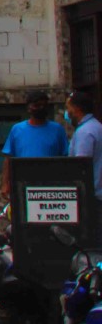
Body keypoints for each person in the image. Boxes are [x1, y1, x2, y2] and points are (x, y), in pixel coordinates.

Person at [2, 90, 69, 198]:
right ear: (29, 108)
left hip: (51, 186)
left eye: (44, 105)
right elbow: (8, 159)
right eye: (37, 105)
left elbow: (65, 159)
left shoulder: (57, 130)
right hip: (23, 184)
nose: (41, 108)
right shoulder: (17, 129)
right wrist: (5, 184)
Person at [67, 91, 102, 224]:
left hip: (91, 198)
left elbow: (81, 167)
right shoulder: (97, 127)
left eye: (68, 107)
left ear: (76, 108)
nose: (67, 112)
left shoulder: (85, 132)